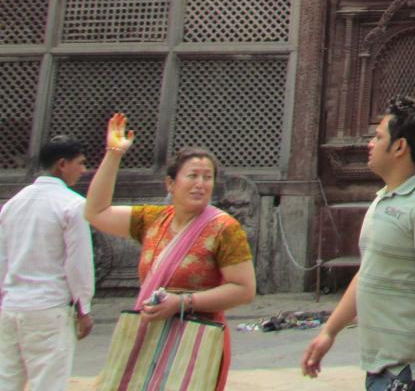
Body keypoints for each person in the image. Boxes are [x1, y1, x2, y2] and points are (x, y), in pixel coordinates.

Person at [85, 115, 255, 391]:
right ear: (170, 184)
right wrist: (113, 155)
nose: (200, 183)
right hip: (150, 334)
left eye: (207, 177)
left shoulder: (224, 229)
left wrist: (182, 302)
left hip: (197, 340)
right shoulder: (152, 220)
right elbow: (96, 212)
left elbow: (244, 290)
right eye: (192, 176)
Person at [302, 97, 415, 391]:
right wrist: (329, 332)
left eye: (378, 137)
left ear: (399, 147)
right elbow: (369, 272)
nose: (370, 144)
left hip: (410, 373)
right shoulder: (384, 198)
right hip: (380, 366)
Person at [0, 136, 94, 391]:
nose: (83, 170)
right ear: (62, 164)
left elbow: (3, 260)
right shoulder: (73, 205)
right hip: (49, 307)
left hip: (12, 306)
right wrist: (84, 308)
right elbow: (78, 264)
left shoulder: (12, 204)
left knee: (7, 381)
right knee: (49, 384)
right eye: (80, 163)